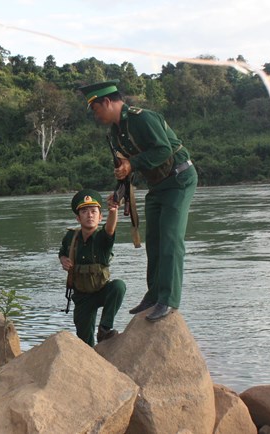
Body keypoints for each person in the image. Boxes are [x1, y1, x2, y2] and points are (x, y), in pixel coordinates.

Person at [79, 80, 198, 322]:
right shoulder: (115, 133)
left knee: (171, 241)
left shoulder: (142, 118)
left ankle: (168, 300)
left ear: (107, 101)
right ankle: (154, 295)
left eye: (95, 108)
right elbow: (127, 169)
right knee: (153, 242)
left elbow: (163, 149)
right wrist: (119, 191)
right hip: (157, 185)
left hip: (178, 180)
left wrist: (132, 164)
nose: (95, 114)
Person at [59, 189, 126, 346]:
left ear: (100, 216)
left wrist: (113, 210)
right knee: (85, 343)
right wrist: (63, 259)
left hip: (101, 291)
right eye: (84, 211)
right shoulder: (71, 237)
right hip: (82, 298)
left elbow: (110, 229)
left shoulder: (103, 239)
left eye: (94, 211)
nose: (90, 215)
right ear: (78, 217)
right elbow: (62, 251)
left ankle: (104, 328)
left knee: (118, 286)